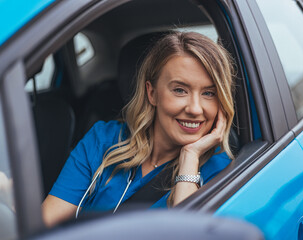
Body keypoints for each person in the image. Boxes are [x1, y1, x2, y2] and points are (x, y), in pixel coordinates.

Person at [42, 31, 235, 227]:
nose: (194, 108)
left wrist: (190, 156)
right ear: (152, 93)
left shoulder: (221, 171)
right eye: (180, 90)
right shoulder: (104, 140)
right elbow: (47, 222)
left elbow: (188, 233)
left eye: (209, 93)